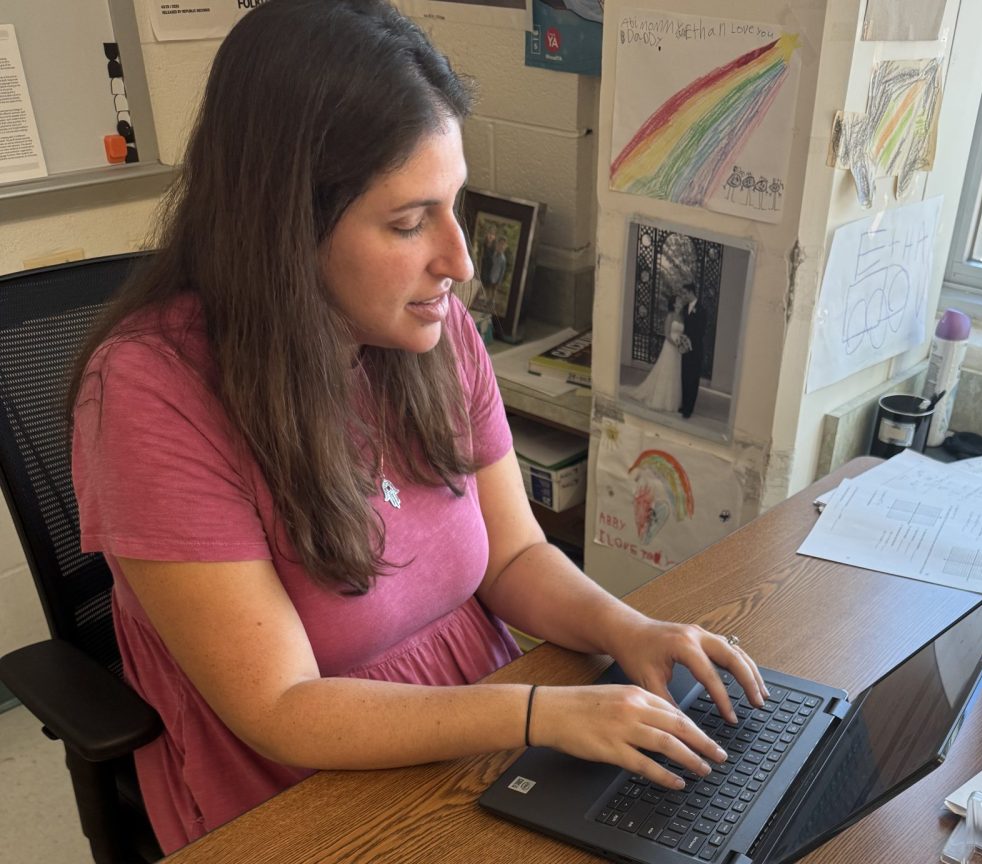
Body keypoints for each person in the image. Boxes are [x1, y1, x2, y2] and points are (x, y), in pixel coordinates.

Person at [67, 0, 766, 853]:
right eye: (408, 222)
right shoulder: (151, 393)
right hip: (309, 792)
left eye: (453, 204)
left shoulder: (430, 329)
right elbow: (281, 708)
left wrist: (629, 630)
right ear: (285, 228)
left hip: (486, 722)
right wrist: (543, 711)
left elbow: (512, 557)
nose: (461, 261)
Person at [629, 294, 685, 412]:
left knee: (675, 372)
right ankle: (660, 399)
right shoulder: (670, 316)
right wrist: (676, 344)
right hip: (670, 347)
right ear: (674, 303)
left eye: (681, 300)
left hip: (678, 350)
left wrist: (682, 344)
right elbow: (667, 334)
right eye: (679, 300)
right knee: (666, 370)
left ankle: (672, 401)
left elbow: (682, 334)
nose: (681, 301)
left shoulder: (682, 317)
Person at [678, 284, 708, 419]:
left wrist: (690, 341)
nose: (683, 296)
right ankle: (684, 405)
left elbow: (701, 331)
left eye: (685, 293)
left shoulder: (702, 310)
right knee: (684, 377)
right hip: (685, 348)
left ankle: (689, 409)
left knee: (693, 379)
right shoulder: (685, 308)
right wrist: (683, 340)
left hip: (695, 350)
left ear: (691, 292)